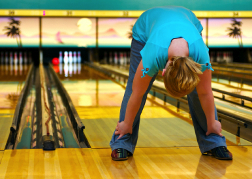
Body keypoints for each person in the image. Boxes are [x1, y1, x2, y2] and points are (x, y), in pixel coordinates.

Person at [109, 6, 233, 161]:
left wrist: (213, 122)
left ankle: (213, 140)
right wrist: (127, 124)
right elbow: (137, 93)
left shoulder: (200, 54)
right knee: (136, 85)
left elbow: (205, 92)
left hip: (189, 21)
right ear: (162, 71)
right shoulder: (152, 56)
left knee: (198, 90)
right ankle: (122, 140)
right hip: (145, 29)